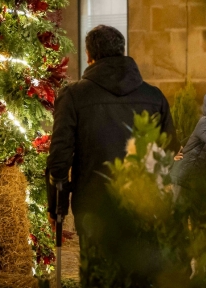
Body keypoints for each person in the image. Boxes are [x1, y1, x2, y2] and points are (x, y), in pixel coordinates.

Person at [45, 25, 175, 246]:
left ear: (89, 56)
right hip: (142, 205)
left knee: (98, 275)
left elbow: (60, 157)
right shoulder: (154, 97)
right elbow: (170, 149)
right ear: (122, 51)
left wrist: (57, 208)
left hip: (93, 206)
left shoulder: (74, 96)